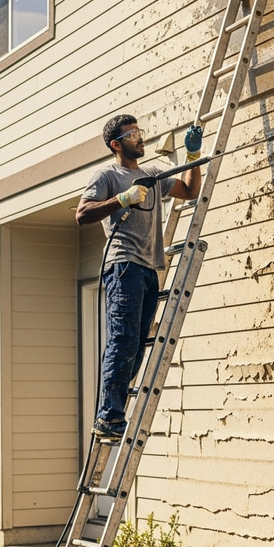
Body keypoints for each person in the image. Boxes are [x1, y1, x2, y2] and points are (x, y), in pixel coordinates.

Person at [76, 114, 203, 441]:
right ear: (116, 145)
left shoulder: (151, 175)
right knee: (123, 339)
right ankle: (109, 416)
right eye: (132, 135)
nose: (140, 138)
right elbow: (82, 214)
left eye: (140, 132)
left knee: (136, 344)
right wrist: (122, 199)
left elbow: (189, 190)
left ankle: (114, 415)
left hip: (149, 267)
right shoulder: (108, 175)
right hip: (123, 266)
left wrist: (192, 157)